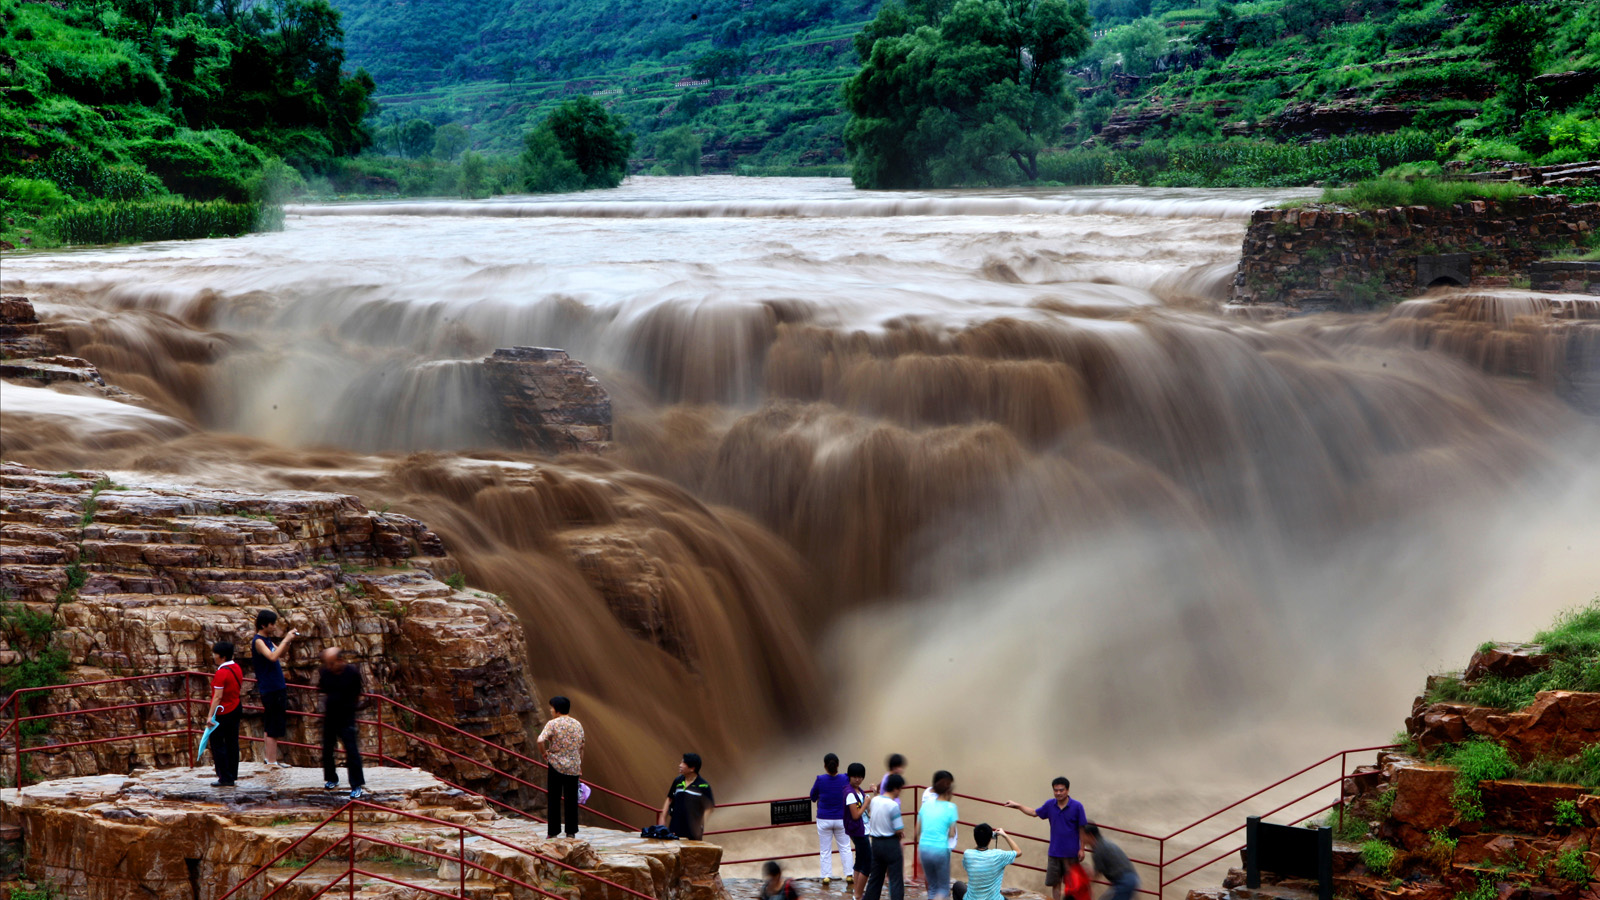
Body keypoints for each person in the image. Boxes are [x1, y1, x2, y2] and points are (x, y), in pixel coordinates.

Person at [1003, 777, 1088, 900]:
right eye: (1056, 790)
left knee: (1072, 886)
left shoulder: (1077, 806)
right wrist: (1017, 805)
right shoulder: (1050, 805)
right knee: (1055, 884)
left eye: (1061, 790)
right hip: (1054, 853)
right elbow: (1034, 813)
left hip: (1072, 853)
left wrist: (1082, 849)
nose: (1058, 793)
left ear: (1068, 790)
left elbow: (1082, 828)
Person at [250, 609, 299, 769]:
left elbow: (281, 654)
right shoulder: (258, 641)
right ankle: (271, 761)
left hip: (276, 687)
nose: (274, 627)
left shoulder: (268, 640)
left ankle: (270, 759)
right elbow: (272, 657)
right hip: (271, 688)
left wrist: (289, 641)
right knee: (274, 724)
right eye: (272, 624)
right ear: (264, 625)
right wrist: (286, 638)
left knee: (272, 723)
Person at [318, 647, 366, 800]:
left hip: (346, 715)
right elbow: (322, 689)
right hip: (330, 715)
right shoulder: (325, 672)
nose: (329, 667)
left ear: (340, 660)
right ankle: (331, 778)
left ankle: (356, 784)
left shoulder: (352, 673)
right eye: (327, 664)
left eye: (331, 663)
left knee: (351, 750)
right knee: (327, 749)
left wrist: (351, 707)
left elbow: (358, 693)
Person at [537, 695, 585, 839]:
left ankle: (553, 832)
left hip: (556, 766)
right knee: (571, 800)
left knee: (554, 799)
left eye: (551, 708)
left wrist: (544, 753)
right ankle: (570, 832)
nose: (551, 710)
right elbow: (582, 746)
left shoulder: (553, 724)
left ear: (557, 709)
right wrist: (579, 764)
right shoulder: (577, 724)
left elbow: (540, 740)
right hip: (573, 767)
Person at [811, 752, 853, 886]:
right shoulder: (845, 778)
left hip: (824, 819)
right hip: (841, 819)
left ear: (825, 766)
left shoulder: (820, 779)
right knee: (845, 847)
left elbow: (812, 797)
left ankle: (826, 876)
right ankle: (849, 875)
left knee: (825, 849)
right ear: (838, 765)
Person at [206, 640, 244, 787]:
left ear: (221, 657)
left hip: (223, 711)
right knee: (232, 742)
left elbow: (217, 697)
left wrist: (210, 715)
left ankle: (224, 777)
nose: (213, 656)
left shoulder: (221, 673)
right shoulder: (236, 668)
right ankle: (232, 774)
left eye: (215, 654)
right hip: (236, 707)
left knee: (218, 744)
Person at [918, 771, 961, 900]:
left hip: (925, 845)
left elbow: (918, 828)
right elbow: (951, 832)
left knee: (932, 887)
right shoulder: (948, 806)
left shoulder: (927, 796)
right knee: (943, 888)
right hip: (942, 846)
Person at [863, 773, 905, 900]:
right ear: (896, 788)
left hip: (875, 843)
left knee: (875, 878)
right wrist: (900, 833)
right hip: (890, 844)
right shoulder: (893, 806)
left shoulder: (875, 800)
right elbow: (899, 829)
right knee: (896, 879)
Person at [660, 752, 715, 840]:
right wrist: (662, 818)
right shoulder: (677, 781)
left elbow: (709, 807)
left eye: (683, 763)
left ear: (692, 768)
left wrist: (700, 824)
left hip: (692, 832)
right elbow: (669, 798)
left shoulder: (703, 786)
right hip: (675, 827)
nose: (680, 765)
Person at [961, 824, 1021, 900]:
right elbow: (1018, 852)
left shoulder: (968, 854)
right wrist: (1005, 835)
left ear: (975, 837)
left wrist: (983, 840)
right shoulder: (998, 855)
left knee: (958, 885)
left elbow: (975, 850)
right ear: (990, 839)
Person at [1081, 824, 1139, 900]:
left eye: (1082, 835)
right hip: (1130, 880)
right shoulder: (1103, 842)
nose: (1080, 837)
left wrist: (1084, 888)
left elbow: (1096, 875)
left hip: (1124, 883)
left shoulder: (1098, 850)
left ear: (1090, 835)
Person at [844, 763, 871, 900]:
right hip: (858, 831)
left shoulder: (859, 791)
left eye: (860, 777)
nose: (858, 779)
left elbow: (867, 812)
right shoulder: (849, 793)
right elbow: (855, 815)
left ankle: (857, 892)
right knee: (868, 863)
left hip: (863, 829)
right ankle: (859, 894)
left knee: (860, 861)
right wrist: (866, 803)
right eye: (855, 776)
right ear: (849, 776)